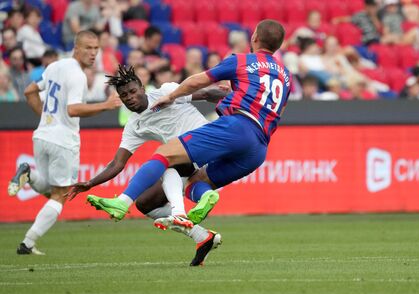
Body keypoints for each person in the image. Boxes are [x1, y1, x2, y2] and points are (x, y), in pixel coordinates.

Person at [86, 19, 291, 247]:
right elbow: (279, 111)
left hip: (237, 126)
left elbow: (199, 80)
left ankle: (124, 202)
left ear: (254, 38)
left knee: (165, 154)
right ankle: (202, 206)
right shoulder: (286, 76)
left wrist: (171, 96)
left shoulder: (241, 60)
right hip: (259, 147)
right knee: (193, 182)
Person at [66, 65, 227, 265]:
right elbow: (117, 163)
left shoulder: (166, 92)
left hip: (208, 144)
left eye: (133, 91)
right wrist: (90, 183)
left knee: (167, 161)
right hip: (190, 161)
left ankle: (178, 213)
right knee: (145, 203)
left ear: (143, 88)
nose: (130, 97)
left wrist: (224, 94)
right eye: (124, 95)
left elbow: (204, 93)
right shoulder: (134, 126)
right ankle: (201, 235)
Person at [7, 31, 122, 255]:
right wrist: (106, 105)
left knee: (51, 192)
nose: (93, 53)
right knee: (59, 196)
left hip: (42, 135)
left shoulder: (54, 67)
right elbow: (73, 109)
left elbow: (30, 90)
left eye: (96, 48)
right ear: (75, 48)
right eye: (88, 48)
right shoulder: (77, 75)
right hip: (63, 140)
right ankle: (27, 244)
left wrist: (45, 118)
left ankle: (27, 174)